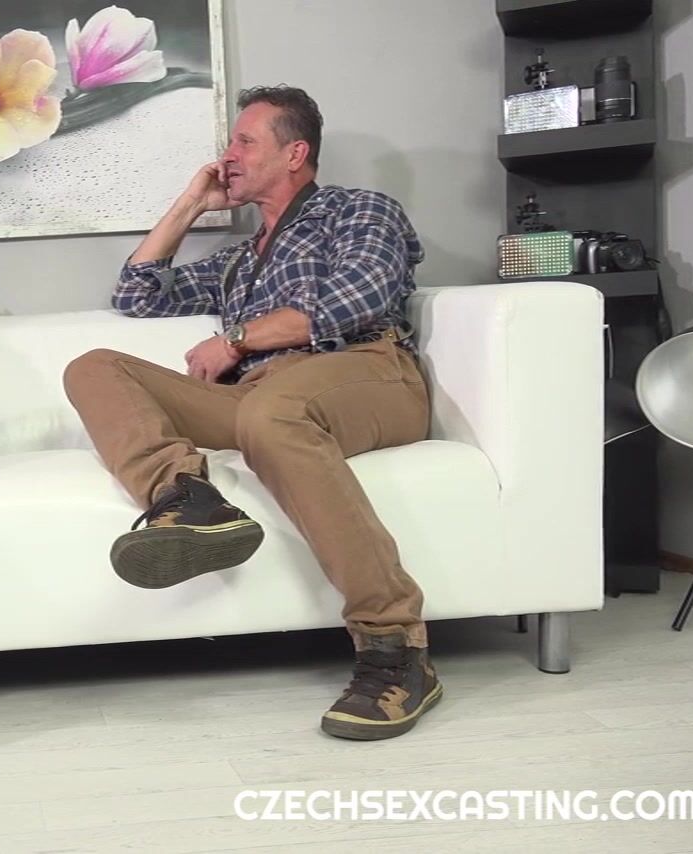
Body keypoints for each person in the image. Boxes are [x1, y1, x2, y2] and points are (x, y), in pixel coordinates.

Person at [63, 86, 439, 741]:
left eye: (244, 141)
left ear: (295, 153)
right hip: (262, 395)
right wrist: (192, 203)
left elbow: (358, 298)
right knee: (94, 367)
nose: (228, 154)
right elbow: (138, 294)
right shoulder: (240, 261)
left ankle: (395, 650)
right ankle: (187, 498)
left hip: (366, 370)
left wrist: (236, 340)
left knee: (271, 414)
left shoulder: (357, 210)